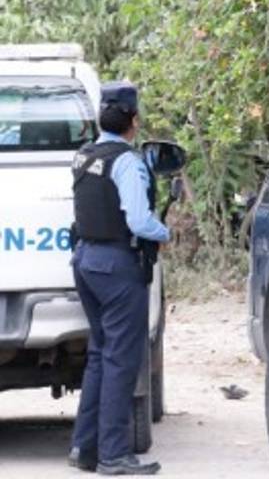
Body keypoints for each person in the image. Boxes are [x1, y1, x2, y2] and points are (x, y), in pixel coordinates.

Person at [68, 82, 169, 476]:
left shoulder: (84, 155)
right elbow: (139, 221)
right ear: (134, 120)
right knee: (120, 360)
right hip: (116, 267)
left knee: (99, 355)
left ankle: (85, 447)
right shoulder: (126, 161)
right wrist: (165, 233)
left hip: (85, 261)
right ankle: (113, 455)